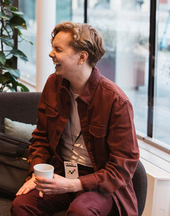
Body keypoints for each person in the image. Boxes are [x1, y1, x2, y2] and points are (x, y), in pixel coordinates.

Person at [11, 21, 139, 216]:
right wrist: (36, 175)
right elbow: (41, 138)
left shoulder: (116, 101)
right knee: (22, 204)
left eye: (58, 49)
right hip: (60, 171)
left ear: (82, 57)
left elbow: (123, 166)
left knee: (81, 211)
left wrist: (73, 185)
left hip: (99, 183)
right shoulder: (53, 84)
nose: (50, 54)